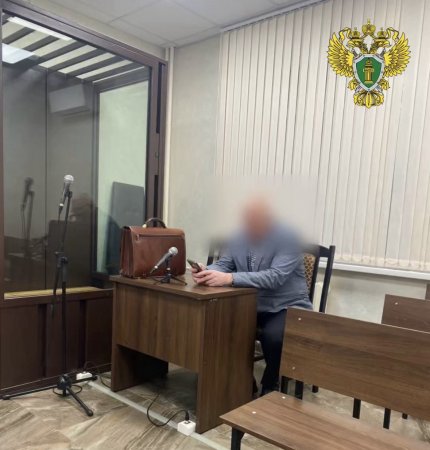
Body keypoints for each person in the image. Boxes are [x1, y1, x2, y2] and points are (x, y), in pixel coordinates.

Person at [192, 198, 312, 395]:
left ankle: (271, 382)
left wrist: (229, 278)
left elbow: (275, 277)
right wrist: (207, 270)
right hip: (250, 304)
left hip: (286, 306)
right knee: (219, 325)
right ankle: (244, 380)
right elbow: (225, 264)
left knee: (273, 337)